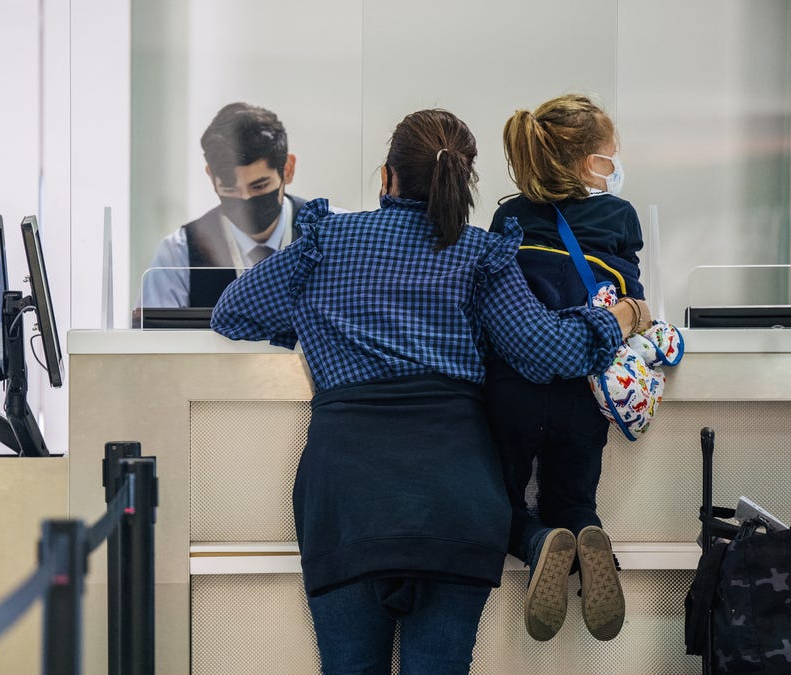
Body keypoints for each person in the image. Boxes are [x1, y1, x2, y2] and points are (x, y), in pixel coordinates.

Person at [211, 108, 650, 674]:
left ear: (387, 177)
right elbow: (550, 353)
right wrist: (622, 316)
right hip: (457, 500)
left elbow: (234, 312)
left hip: (348, 500)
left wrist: (312, 317)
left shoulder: (329, 243)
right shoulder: (478, 255)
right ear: (463, 183)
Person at [484, 93, 645, 643]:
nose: (616, 165)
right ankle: (584, 530)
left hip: (512, 391)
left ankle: (536, 542)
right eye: (609, 156)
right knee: (573, 496)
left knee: (498, 502)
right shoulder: (619, 216)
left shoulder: (509, 217)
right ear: (585, 163)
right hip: (584, 390)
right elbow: (633, 297)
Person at [139, 102, 308, 310]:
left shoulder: (335, 237)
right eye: (230, 189)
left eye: (260, 186)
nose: (245, 198)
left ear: (288, 169)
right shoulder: (179, 254)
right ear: (211, 176)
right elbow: (154, 340)